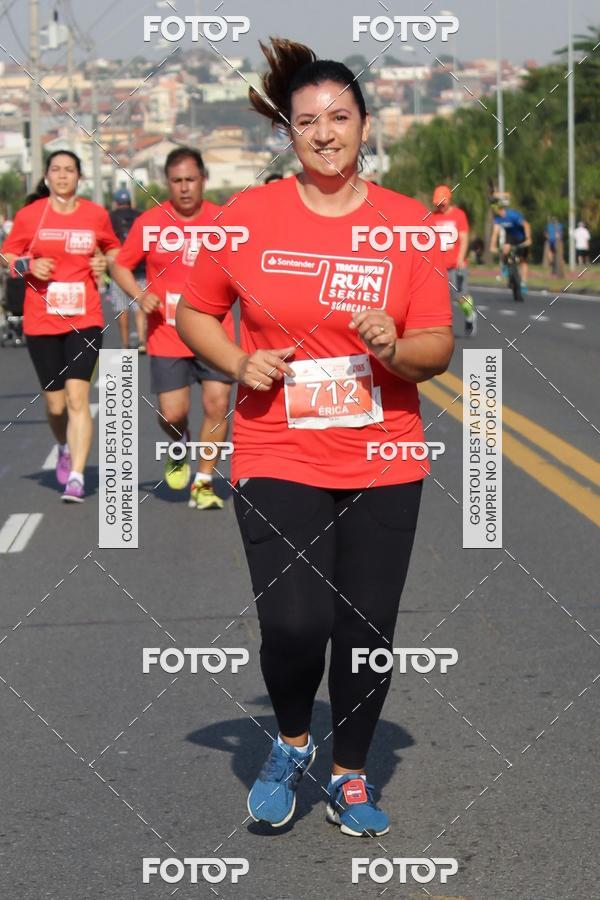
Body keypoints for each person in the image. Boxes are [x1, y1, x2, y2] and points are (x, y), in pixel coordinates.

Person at [177, 38, 454, 836]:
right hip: (277, 448)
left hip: (384, 455)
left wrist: (395, 348)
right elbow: (194, 308)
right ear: (288, 134)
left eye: (340, 117)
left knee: (367, 631)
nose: (325, 132)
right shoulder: (252, 216)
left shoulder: (404, 226)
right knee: (296, 623)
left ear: (366, 125)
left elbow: (437, 344)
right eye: (308, 122)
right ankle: (293, 740)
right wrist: (237, 359)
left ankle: (353, 776)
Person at [111, 147, 233, 510]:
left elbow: (247, 266)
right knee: (172, 412)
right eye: (177, 181)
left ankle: (205, 481)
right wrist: (139, 293)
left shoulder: (224, 221)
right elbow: (120, 266)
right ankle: (179, 444)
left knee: (217, 402)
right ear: (167, 183)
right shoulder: (149, 223)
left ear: (203, 180)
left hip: (215, 331)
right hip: (166, 333)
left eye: (190, 180)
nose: (184, 188)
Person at [1, 150, 120, 502]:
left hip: (85, 318)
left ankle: (78, 477)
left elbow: (114, 249)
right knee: (55, 406)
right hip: (41, 318)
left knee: (77, 397)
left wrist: (104, 263)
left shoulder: (95, 215)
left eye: (70, 170)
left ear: (79, 177)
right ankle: (63, 447)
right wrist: (27, 265)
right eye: (57, 169)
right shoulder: (30, 216)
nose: (63, 175)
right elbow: (8, 255)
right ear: (47, 176)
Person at [430, 184, 476, 337]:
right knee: (436, 299)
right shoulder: (433, 217)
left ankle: (470, 316)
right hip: (438, 266)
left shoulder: (459, 215)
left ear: (448, 199)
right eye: (437, 203)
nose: (440, 206)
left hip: (455, 264)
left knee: (461, 297)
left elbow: (463, 238)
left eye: (442, 203)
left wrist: (461, 258)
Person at [109, 189, 147, 352]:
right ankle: (142, 341)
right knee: (140, 305)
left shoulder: (110, 218)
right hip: (140, 269)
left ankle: (125, 344)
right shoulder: (141, 216)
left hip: (118, 270)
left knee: (121, 308)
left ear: (116, 203)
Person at [490, 202, 532, 292]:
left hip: (522, 236)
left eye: (497, 210)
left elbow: (526, 225)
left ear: (501, 209)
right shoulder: (497, 218)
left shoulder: (513, 215)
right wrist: (492, 246)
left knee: (523, 260)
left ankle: (524, 282)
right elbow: (495, 233)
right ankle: (505, 267)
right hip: (511, 237)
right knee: (506, 248)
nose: (496, 212)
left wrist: (528, 238)